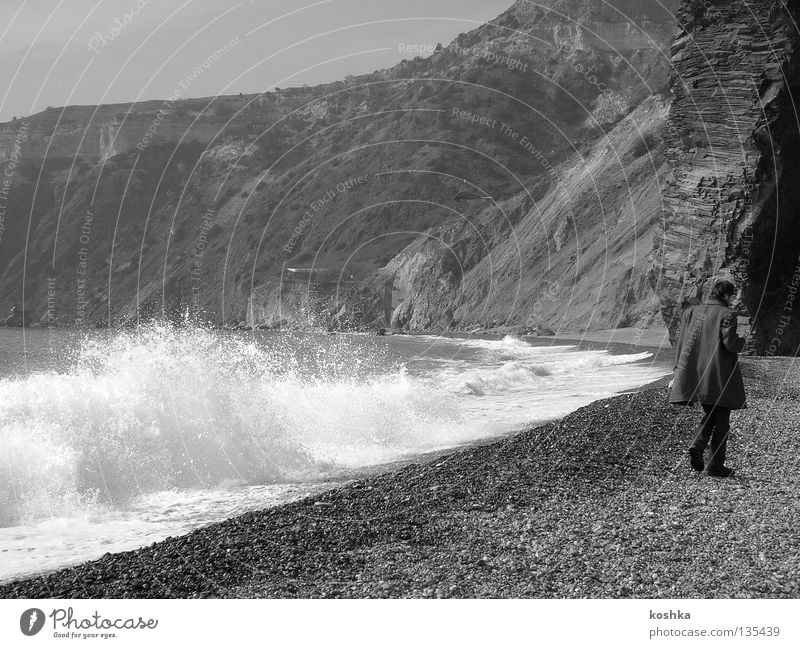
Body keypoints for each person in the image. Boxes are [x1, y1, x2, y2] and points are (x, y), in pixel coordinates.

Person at [668, 280, 748, 478]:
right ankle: (714, 465)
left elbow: (681, 343)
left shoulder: (691, 312)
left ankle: (699, 446)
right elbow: (730, 344)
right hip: (719, 375)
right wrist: (743, 341)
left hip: (695, 375)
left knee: (711, 414)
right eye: (733, 296)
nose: (734, 300)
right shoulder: (727, 314)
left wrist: (677, 371)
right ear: (727, 295)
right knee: (722, 421)